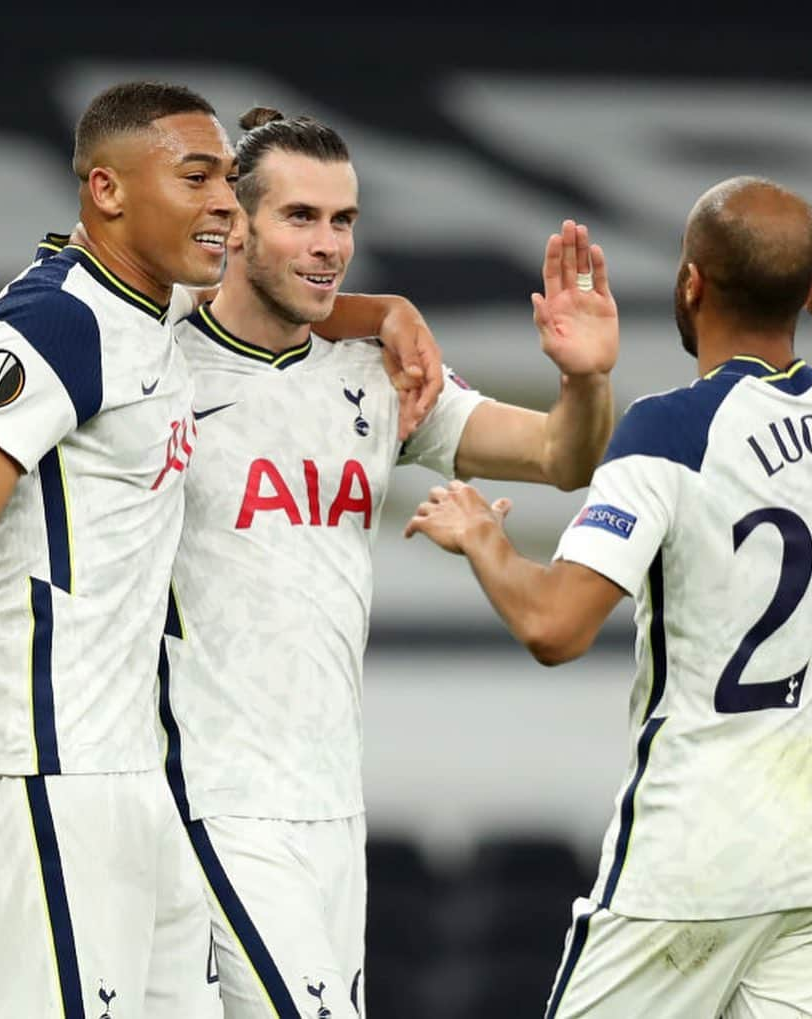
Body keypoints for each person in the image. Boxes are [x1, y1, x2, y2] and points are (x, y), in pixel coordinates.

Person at [0, 81, 440, 1019]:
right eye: (197, 179)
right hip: (38, 769)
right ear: (109, 192)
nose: (223, 206)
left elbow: (261, 300)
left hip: (135, 779)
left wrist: (384, 309)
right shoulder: (54, 324)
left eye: (228, 187)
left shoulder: (152, 313)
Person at [405, 182, 812, 1019]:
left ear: (689, 284)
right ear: (808, 288)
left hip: (694, 857)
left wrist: (482, 537)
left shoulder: (673, 428)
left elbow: (553, 624)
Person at [157, 107, 617, 1018]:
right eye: (301, 218)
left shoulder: (377, 375)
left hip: (331, 800)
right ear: (237, 226)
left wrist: (586, 380)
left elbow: (562, 458)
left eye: (343, 221)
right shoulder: (157, 362)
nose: (329, 246)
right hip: (211, 793)